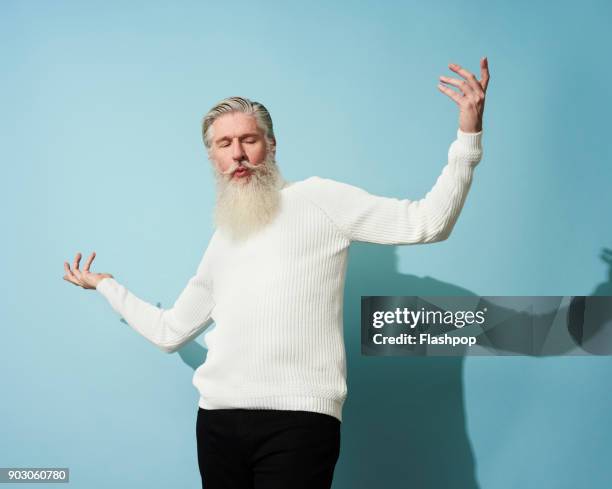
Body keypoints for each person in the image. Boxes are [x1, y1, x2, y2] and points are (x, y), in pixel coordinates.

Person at [63, 58, 490, 489]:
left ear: (271, 145)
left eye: (248, 140)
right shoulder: (222, 241)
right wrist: (106, 286)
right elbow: (170, 332)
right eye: (224, 144)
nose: (238, 154)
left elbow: (428, 223)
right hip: (216, 424)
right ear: (212, 157)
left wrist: (468, 135)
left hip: (299, 423)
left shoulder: (319, 200)